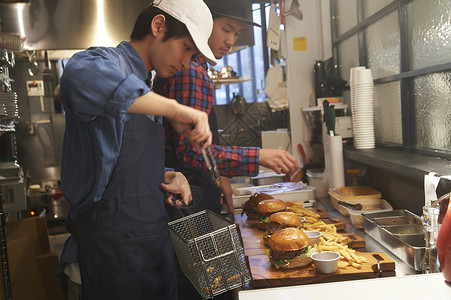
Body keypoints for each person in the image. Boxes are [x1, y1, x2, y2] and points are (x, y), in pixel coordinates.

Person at [57, 0, 218, 299]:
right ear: (158, 26)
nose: (187, 62)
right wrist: (175, 110)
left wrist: (169, 175)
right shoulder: (103, 62)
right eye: (186, 48)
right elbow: (76, 76)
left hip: (153, 253)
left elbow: (125, 163)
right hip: (111, 257)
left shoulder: (149, 90)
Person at [153, 0, 299, 219]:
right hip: (188, 192)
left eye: (237, 34)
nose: (230, 41)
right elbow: (191, 153)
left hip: (192, 187)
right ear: (204, 23)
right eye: (226, 29)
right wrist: (258, 155)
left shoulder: (195, 67)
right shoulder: (190, 71)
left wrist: (223, 178)